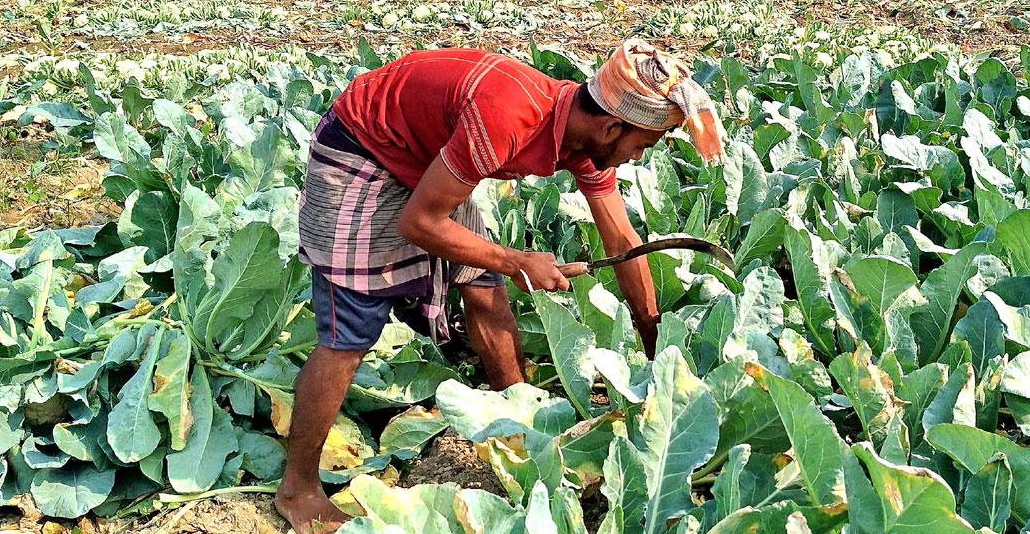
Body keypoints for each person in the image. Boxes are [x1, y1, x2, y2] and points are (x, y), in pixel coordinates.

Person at [275, 39, 727, 534]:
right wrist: (517, 260)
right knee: (350, 331)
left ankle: (519, 422)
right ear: (611, 126)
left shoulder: (583, 139)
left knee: (483, 285)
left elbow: (621, 238)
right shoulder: (510, 116)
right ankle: (297, 489)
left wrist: (654, 343)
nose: (639, 158)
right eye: (641, 145)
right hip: (365, 149)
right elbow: (420, 222)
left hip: (431, 158)